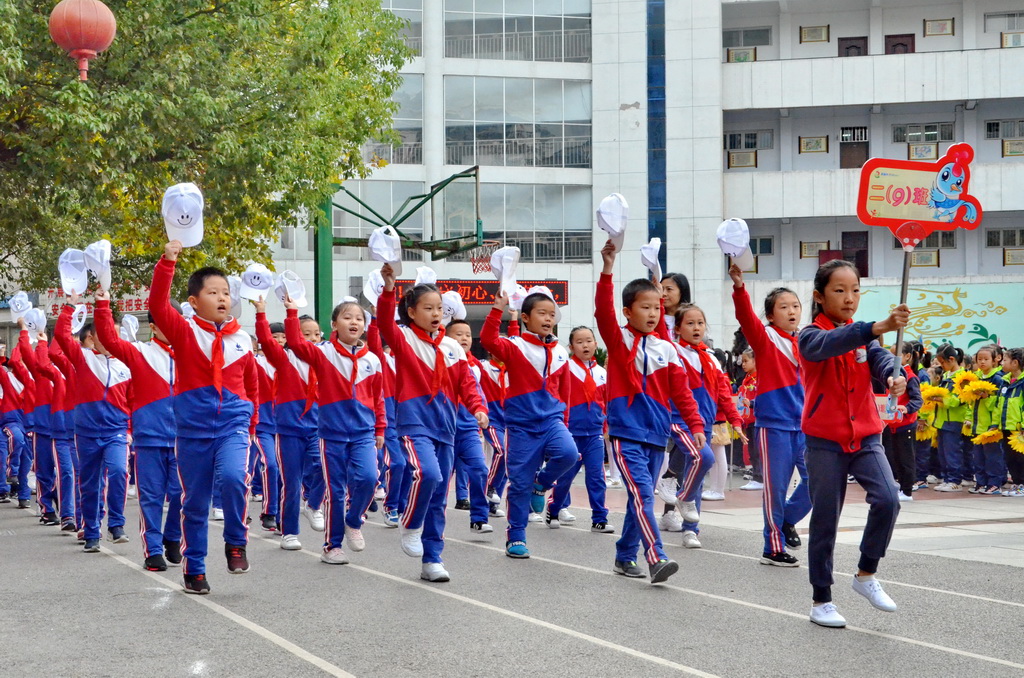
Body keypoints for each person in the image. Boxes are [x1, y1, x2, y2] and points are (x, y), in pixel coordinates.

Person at [798, 258, 907, 628]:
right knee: (826, 520)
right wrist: (875, 327)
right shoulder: (811, 335)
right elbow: (831, 344)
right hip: (824, 441)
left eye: (856, 290)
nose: (849, 298)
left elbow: (879, 359)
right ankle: (821, 599)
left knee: (889, 498)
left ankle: (866, 573)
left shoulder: (864, 339)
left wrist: (897, 376)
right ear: (819, 295)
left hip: (865, 437)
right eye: (839, 290)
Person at [149, 241, 259, 594]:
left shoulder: (242, 338)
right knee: (193, 502)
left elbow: (251, 385)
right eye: (213, 292)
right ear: (195, 301)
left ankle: (235, 541)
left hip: (233, 424)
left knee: (232, 478)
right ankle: (194, 568)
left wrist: (251, 424)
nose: (222, 298)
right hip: (192, 431)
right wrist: (168, 261)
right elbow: (156, 304)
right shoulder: (183, 331)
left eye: (226, 292)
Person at [595, 240, 705, 583]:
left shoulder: (667, 350)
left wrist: (696, 424)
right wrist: (608, 269)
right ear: (628, 312)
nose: (653, 313)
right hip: (626, 434)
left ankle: (624, 556)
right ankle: (656, 556)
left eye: (657, 307)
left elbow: (682, 392)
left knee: (637, 500)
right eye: (645, 307)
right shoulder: (619, 340)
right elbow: (602, 312)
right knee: (642, 495)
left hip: (658, 436)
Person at [377, 264, 488, 582]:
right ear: (411, 312)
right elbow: (385, 322)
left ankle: (432, 558)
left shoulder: (453, 347)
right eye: (428, 308)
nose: (436, 313)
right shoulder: (405, 340)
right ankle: (410, 522)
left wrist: (478, 408)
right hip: (414, 424)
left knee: (440, 494)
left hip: (446, 428)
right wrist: (388, 290)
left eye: (439, 308)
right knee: (427, 474)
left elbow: (467, 384)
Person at [281, 297, 385, 565]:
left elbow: (378, 398)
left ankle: (354, 520)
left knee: (369, 479)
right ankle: (332, 546)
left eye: (359, 318)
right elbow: (294, 343)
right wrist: (292, 311)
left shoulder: (372, 359)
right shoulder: (323, 352)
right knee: (335, 491)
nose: (354, 322)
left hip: (363, 433)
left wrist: (380, 428)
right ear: (334, 324)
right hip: (331, 435)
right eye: (347, 317)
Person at [480, 289, 577, 560]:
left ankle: (541, 484)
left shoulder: (560, 352)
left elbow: (564, 389)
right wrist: (497, 309)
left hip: (552, 421)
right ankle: (516, 536)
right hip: (521, 426)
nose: (548, 319)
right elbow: (488, 339)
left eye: (551, 315)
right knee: (519, 483)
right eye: (541, 313)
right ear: (525, 317)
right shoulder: (514, 346)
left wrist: (565, 421)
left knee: (569, 453)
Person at [94, 289, 184, 571]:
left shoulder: (191, 355)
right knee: (152, 497)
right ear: (155, 326)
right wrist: (103, 303)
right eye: (167, 321)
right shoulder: (140, 353)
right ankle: (153, 550)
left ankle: (172, 536)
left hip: (185, 439)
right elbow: (109, 339)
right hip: (150, 439)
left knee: (184, 494)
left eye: (178, 321)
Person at [729, 264, 809, 566]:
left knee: (818, 481)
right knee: (775, 489)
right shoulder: (765, 339)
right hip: (773, 425)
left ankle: (786, 520)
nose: (791, 311)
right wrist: (739, 287)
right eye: (784, 307)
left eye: (795, 306)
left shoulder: (806, 340)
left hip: (805, 425)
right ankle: (772, 547)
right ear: (771, 315)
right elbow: (746, 318)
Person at [54, 298, 133, 552]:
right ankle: (91, 531)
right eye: (107, 334)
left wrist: (130, 430)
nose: (112, 339)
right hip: (86, 433)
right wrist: (69, 306)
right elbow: (62, 336)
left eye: (116, 335)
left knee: (119, 472)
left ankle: (116, 525)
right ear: (92, 337)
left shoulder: (127, 365)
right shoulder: (83, 358)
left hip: (116, 431)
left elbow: (133, 400)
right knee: (90, 483)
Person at [669, 303, 745, 548]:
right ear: (678, 328)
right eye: (690, 323)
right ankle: (681, 494)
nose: (696, 328)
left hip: (707, 424)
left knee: (694, 475)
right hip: (681, 420)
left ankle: (690, 529)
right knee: (705, 459)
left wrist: (735, 420)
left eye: (700, 323)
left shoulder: (711, 358)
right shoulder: (673, 353)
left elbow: (723, 392)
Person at [254, 305, 324, 551]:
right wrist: (262, 313)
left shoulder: (325, 358)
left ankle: (314, 504)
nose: (312, 339)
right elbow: (264, 339)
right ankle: (290, 531)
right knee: (291, 483)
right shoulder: (283, 359)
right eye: (305, 334)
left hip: (318, 428)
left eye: (316, 334)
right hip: (289, 430)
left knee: (324, 468)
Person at [548, 325, 613, 533]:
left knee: (596, 477)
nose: (585, 345)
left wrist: (605, 425)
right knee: (566, 477)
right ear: (571, 346)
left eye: (588, 340)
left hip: (594, 434)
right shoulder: (565, 368)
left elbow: (605, 403)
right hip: (570, 433)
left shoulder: (602, 373)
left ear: (595, 344)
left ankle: (599, 518)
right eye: (579, 342)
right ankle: (554, 508)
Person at [446, 319, 495, 534]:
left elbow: (478, 393)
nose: (464, 338)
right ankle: (430, 519)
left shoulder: (476, 366)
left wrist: (481, 411)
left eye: (467, 334)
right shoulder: (439, 360)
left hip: (467, 429)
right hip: (443, 430)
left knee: (480, 469)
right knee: (439, 478)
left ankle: (479, 518)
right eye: (458, 334)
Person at [31, 331, 77, 532]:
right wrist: (43, 341)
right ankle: (62, 513)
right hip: (54, 429)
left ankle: (83, 518)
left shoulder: (84, 370)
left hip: (82, 431)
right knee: (62, 472)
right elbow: (41, 363)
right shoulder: (55, 373)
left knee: (80, 475)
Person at [366, 308, 407, 528]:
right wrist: (374, 320)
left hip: (411, 420)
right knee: (396, 463)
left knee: (411, 465)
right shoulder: (387, 362)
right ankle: (390, 506)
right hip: (390, 421)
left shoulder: (418, 360)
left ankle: (402, 505)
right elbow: (375, 346)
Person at [15, 325, 59, 525]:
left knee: (66, 472)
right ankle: (48, 509)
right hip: (40, 428)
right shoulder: (38, 374)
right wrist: (25, 331)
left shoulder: (70, 370)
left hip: (65, 430)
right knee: (43, 470)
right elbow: (20, 356)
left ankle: (67, 509)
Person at [880, 343, 923, 502]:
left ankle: (907, 491)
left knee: (906, 459)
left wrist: (906, 408)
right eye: (890, 355)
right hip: (893, 425)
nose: (892, 359)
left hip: (906, 424)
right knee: (896, 458)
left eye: (896, 356)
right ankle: (901, 487)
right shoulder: (891, 375)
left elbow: (918, 400)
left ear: (907, 357)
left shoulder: (910, 377)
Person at [249, 332, 280, 532]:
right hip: (262, 426)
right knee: (270, 465)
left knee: (287, 473)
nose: (279, 341)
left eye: (283, 337)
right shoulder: (255, 362)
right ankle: (269, 511)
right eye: (274, 337)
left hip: (286, 427)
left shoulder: (291, 362)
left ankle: (283, 516)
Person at [967, 345, 1006, 495]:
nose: (982, 362)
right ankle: (981, 482)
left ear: (995, 360)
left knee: (993, 458)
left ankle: (995, 483)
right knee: (978, 457)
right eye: (979, 359)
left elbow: (998, 404)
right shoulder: (976, 378)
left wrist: (986, 397)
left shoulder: (998, 379)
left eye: (986, 359)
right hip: (977, 425)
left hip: (990, 427)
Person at [0, 344, 33, 508]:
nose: (23, 364)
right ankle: (10, 472)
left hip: (29, 425)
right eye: (21, 361)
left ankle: (23, 494)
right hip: (11, 421)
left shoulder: (33, 381)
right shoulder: (8, 378)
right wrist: (23, 338)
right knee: (16, 439)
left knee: (26, 461)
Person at [932, 344, 968, 491]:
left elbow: (960, 400)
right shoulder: (946, 376)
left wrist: (941, 399)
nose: (941, 366)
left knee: (953, 452)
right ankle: (947, 478)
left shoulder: (963, 377)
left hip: (954, 420)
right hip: (942, 419)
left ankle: (955, 481)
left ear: (951, 359)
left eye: (942, 363)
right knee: (943, 452)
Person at [995, 348, 1024, 496]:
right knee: (1010, 458)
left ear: (1015, 363)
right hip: (1006, 426)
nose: (1002, 363)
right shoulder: (1004, 381)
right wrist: (996, 424)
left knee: (1020, 458)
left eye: (1005, 360)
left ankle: (1022, 485)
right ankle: (1018, 484)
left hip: (1019, 430)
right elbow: (998, 405)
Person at [734, 349, 762, 491]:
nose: (743, 365)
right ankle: (756, 476)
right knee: (751, 449)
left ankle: (760, 477)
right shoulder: (747, 378)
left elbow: (762, 398)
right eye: (742, 361)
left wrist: (751, 403)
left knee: (757, 450)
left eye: (746, 361)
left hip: (757, 418)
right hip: (747, 418)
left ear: (755, 361)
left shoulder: (760, 378)